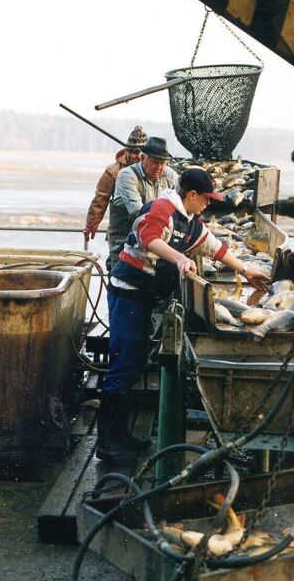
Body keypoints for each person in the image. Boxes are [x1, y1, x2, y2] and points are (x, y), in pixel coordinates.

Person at [96, 167, 270, 464]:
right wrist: (179, 258)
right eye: (205, 199)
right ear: (191, 195)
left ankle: (122, 437)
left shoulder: (190, 221)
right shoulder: (162, 208)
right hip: (127, 293)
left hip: (145, 297)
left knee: (135, 364)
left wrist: (245, 270)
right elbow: (149, 238)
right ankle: (107, 445)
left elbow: (215, 247)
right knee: (124, 365)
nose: (208, 204)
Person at [106, 136, 178, 272]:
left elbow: (181, 206)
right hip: (124, 241)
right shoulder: (126, 175)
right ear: (143, 158)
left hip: (156, 240)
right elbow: (137, 211)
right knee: (121, 278)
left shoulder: (171, 176)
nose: (159, 167)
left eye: (163, 163)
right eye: (155, 162)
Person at [83, 125, 147, 271]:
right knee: (117, 264)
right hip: (120, 230)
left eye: (137, 152)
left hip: (145, 229)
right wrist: (91, 225)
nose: (133, 156)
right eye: (130, 151)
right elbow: (100, 199)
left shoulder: (154, 171)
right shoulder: (113, 171)